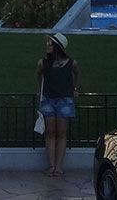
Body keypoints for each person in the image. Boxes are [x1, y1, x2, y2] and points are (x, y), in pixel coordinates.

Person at [37, 33, 78, 177]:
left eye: (50, 43)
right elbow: (39, 77)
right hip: (49, 99)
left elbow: (75, 75)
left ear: (58, 47)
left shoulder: (71, 63)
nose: (48, 46)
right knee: (50, 132)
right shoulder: (43, 63)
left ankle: (58, 166)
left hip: (64, 100)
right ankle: (52, 165)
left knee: (61, 133)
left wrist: (73, 89)